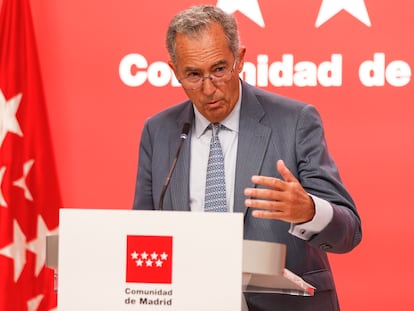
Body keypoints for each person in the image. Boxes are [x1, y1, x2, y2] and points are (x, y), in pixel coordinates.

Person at [133, 4, 362, 311]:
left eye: (219, 69)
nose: (209, 88)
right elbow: (143, 235)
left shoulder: (295, 121)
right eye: (193, 75)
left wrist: (309, 210)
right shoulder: (159, 131)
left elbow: (349, 232)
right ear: (175, 72)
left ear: (239, 59)